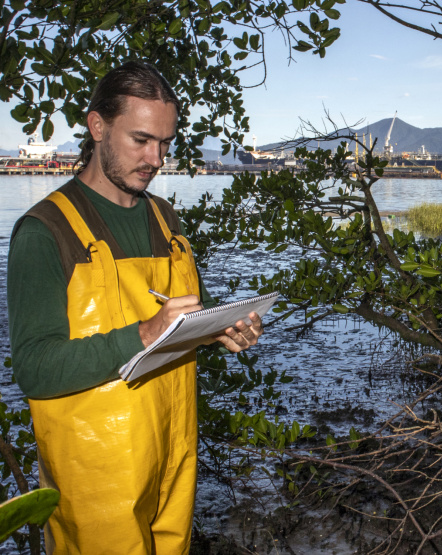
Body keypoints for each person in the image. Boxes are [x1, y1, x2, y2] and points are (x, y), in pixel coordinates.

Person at [6, 62, 264, 554]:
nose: (156, 159)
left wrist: (218, 330)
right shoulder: (43, 232)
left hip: (173, 461)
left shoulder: (166, 219)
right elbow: (35, 370)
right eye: (141, 140)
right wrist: (145, 334)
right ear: (97, 126)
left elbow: (175, 320)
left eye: (165, 143)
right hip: (94, 480)